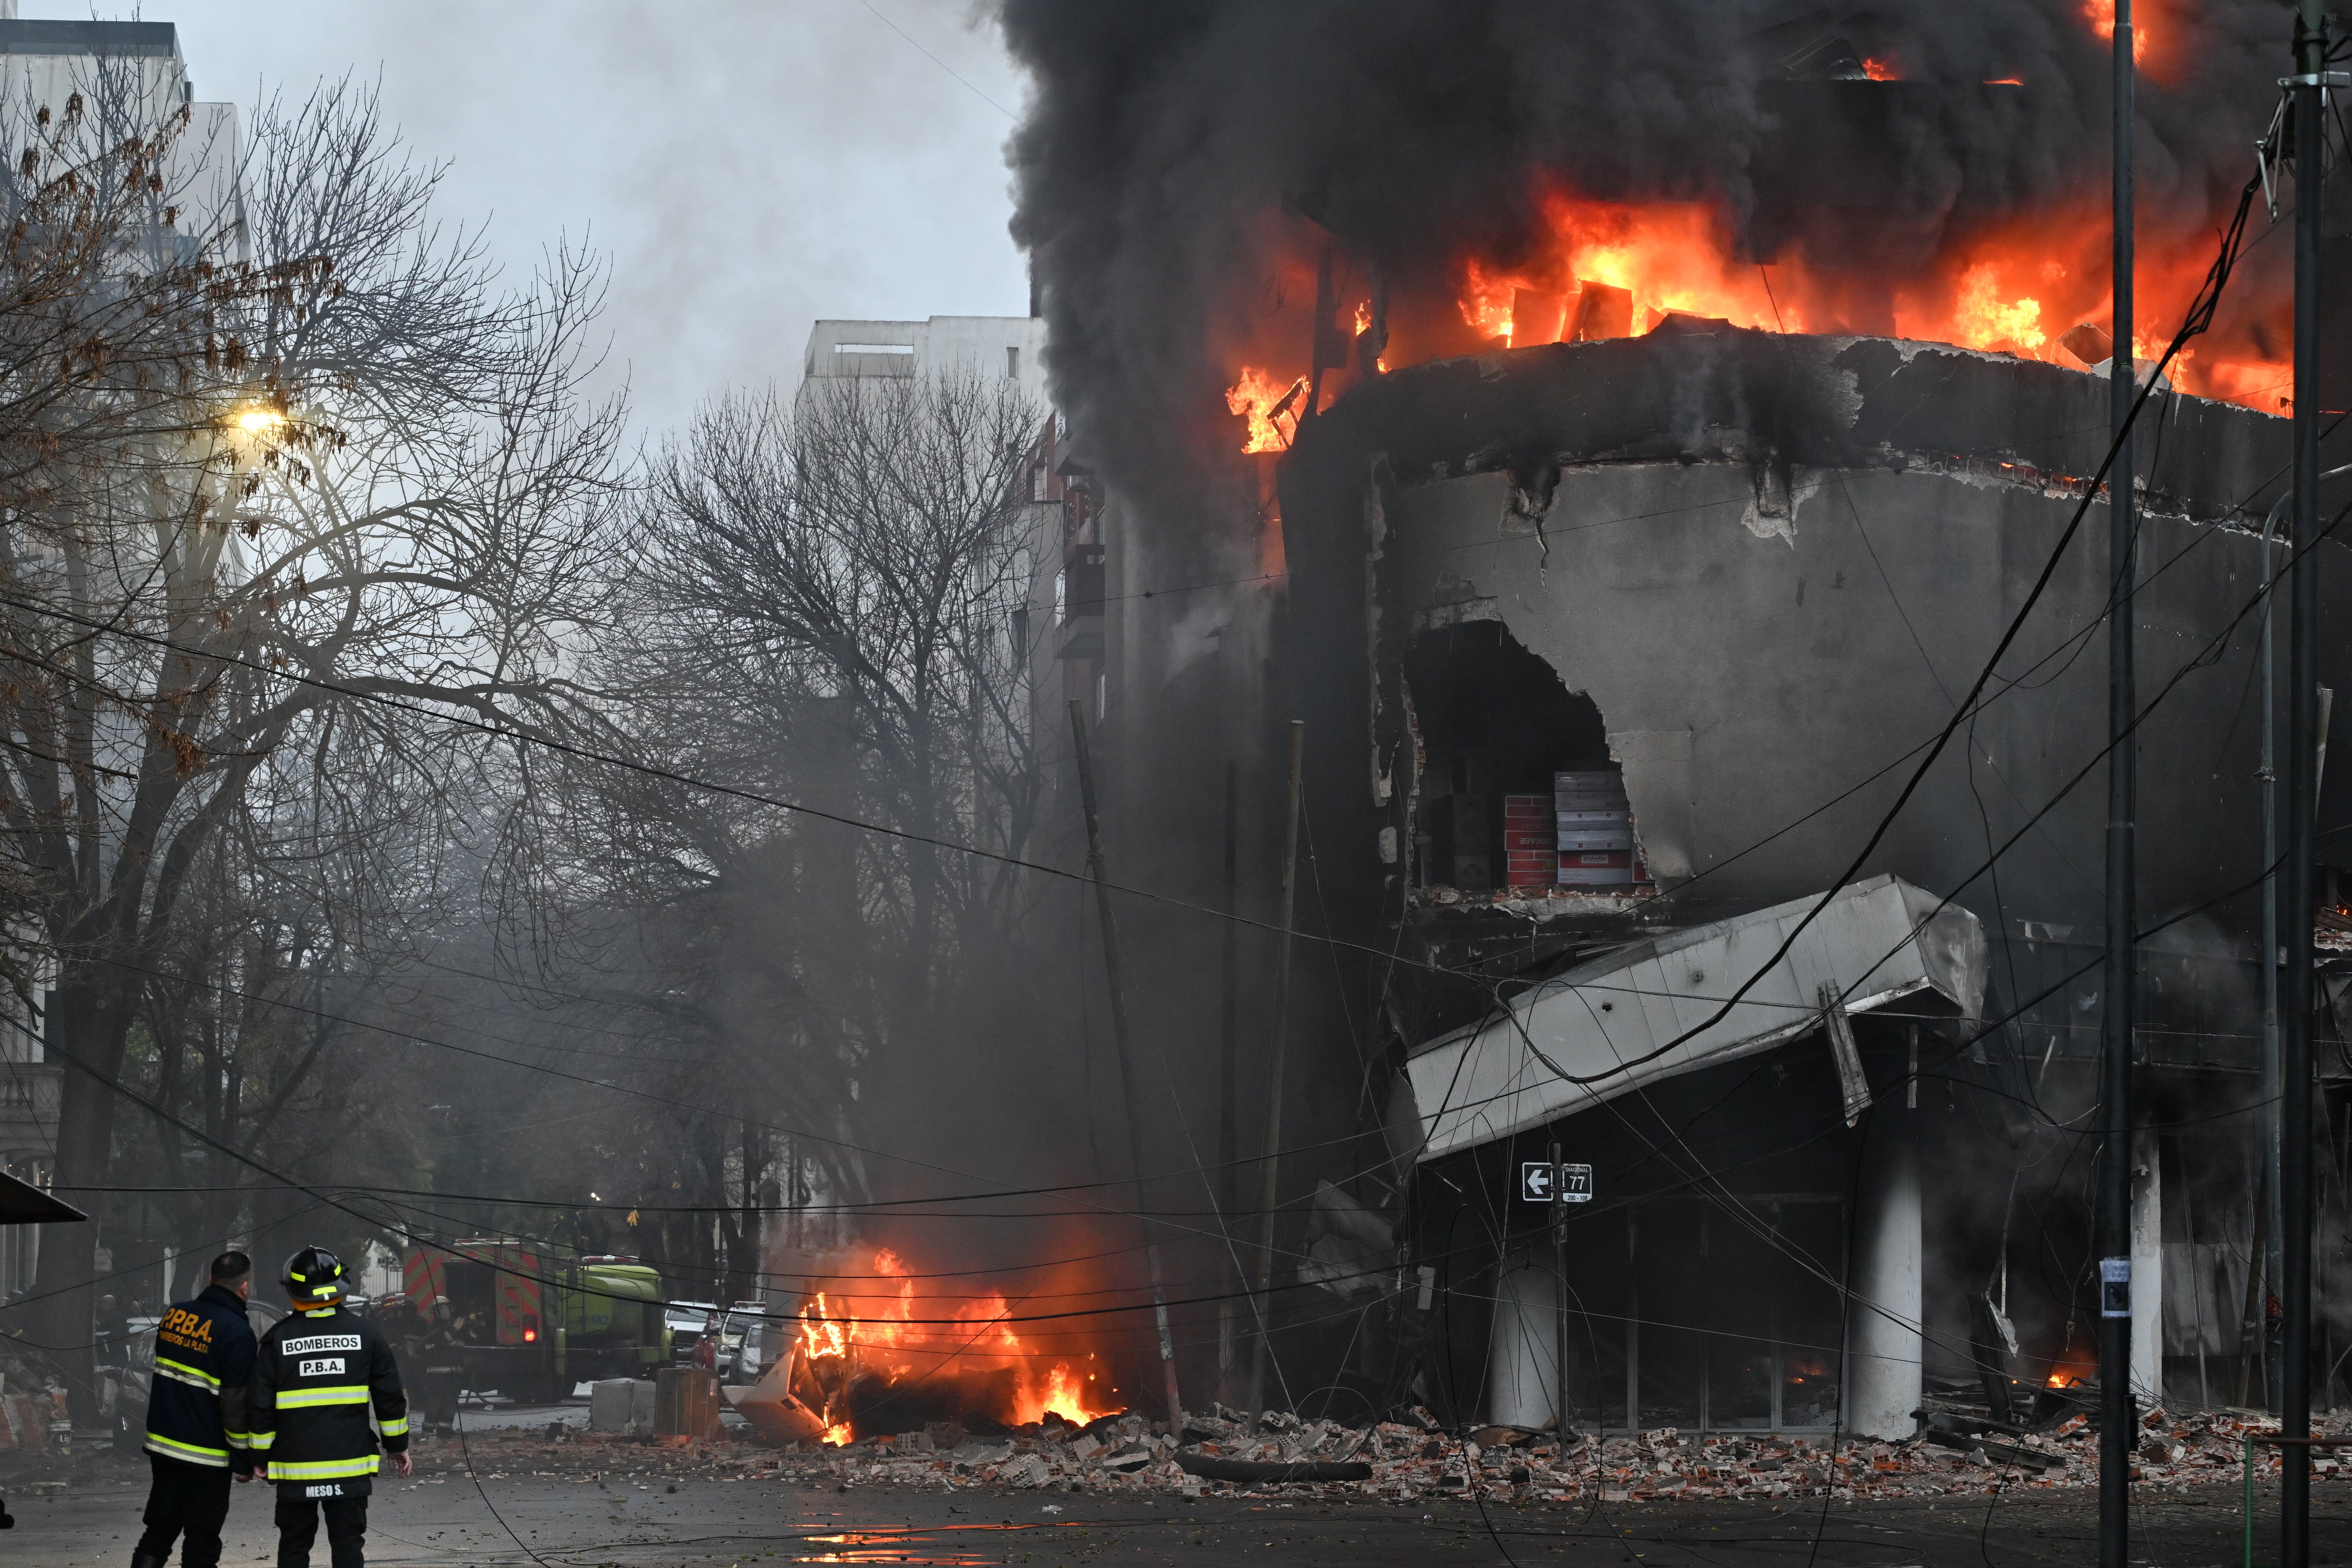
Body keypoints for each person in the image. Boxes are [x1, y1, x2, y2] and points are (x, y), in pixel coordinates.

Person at [246, 1247, 410, 1568]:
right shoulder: (366, 1334)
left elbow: (261, 1405)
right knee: (348, 1545)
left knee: (294, 1546)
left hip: (295, 1469)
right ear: (340, 1289)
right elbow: (389, 1395)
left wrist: (259, 1457)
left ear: (294, 1291)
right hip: (348, 1467)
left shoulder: (276, 1340)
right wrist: (397, 1447)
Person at [132, 1250, 258, 1568]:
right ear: (245, 1287)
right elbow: (234, 1403)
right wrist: (243, 1459)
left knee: (159, 1529)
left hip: (163, 1445)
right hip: (206, 1455)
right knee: (201, 1541)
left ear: (211, 1279)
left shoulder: (175, 1315)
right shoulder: (238, 1332)